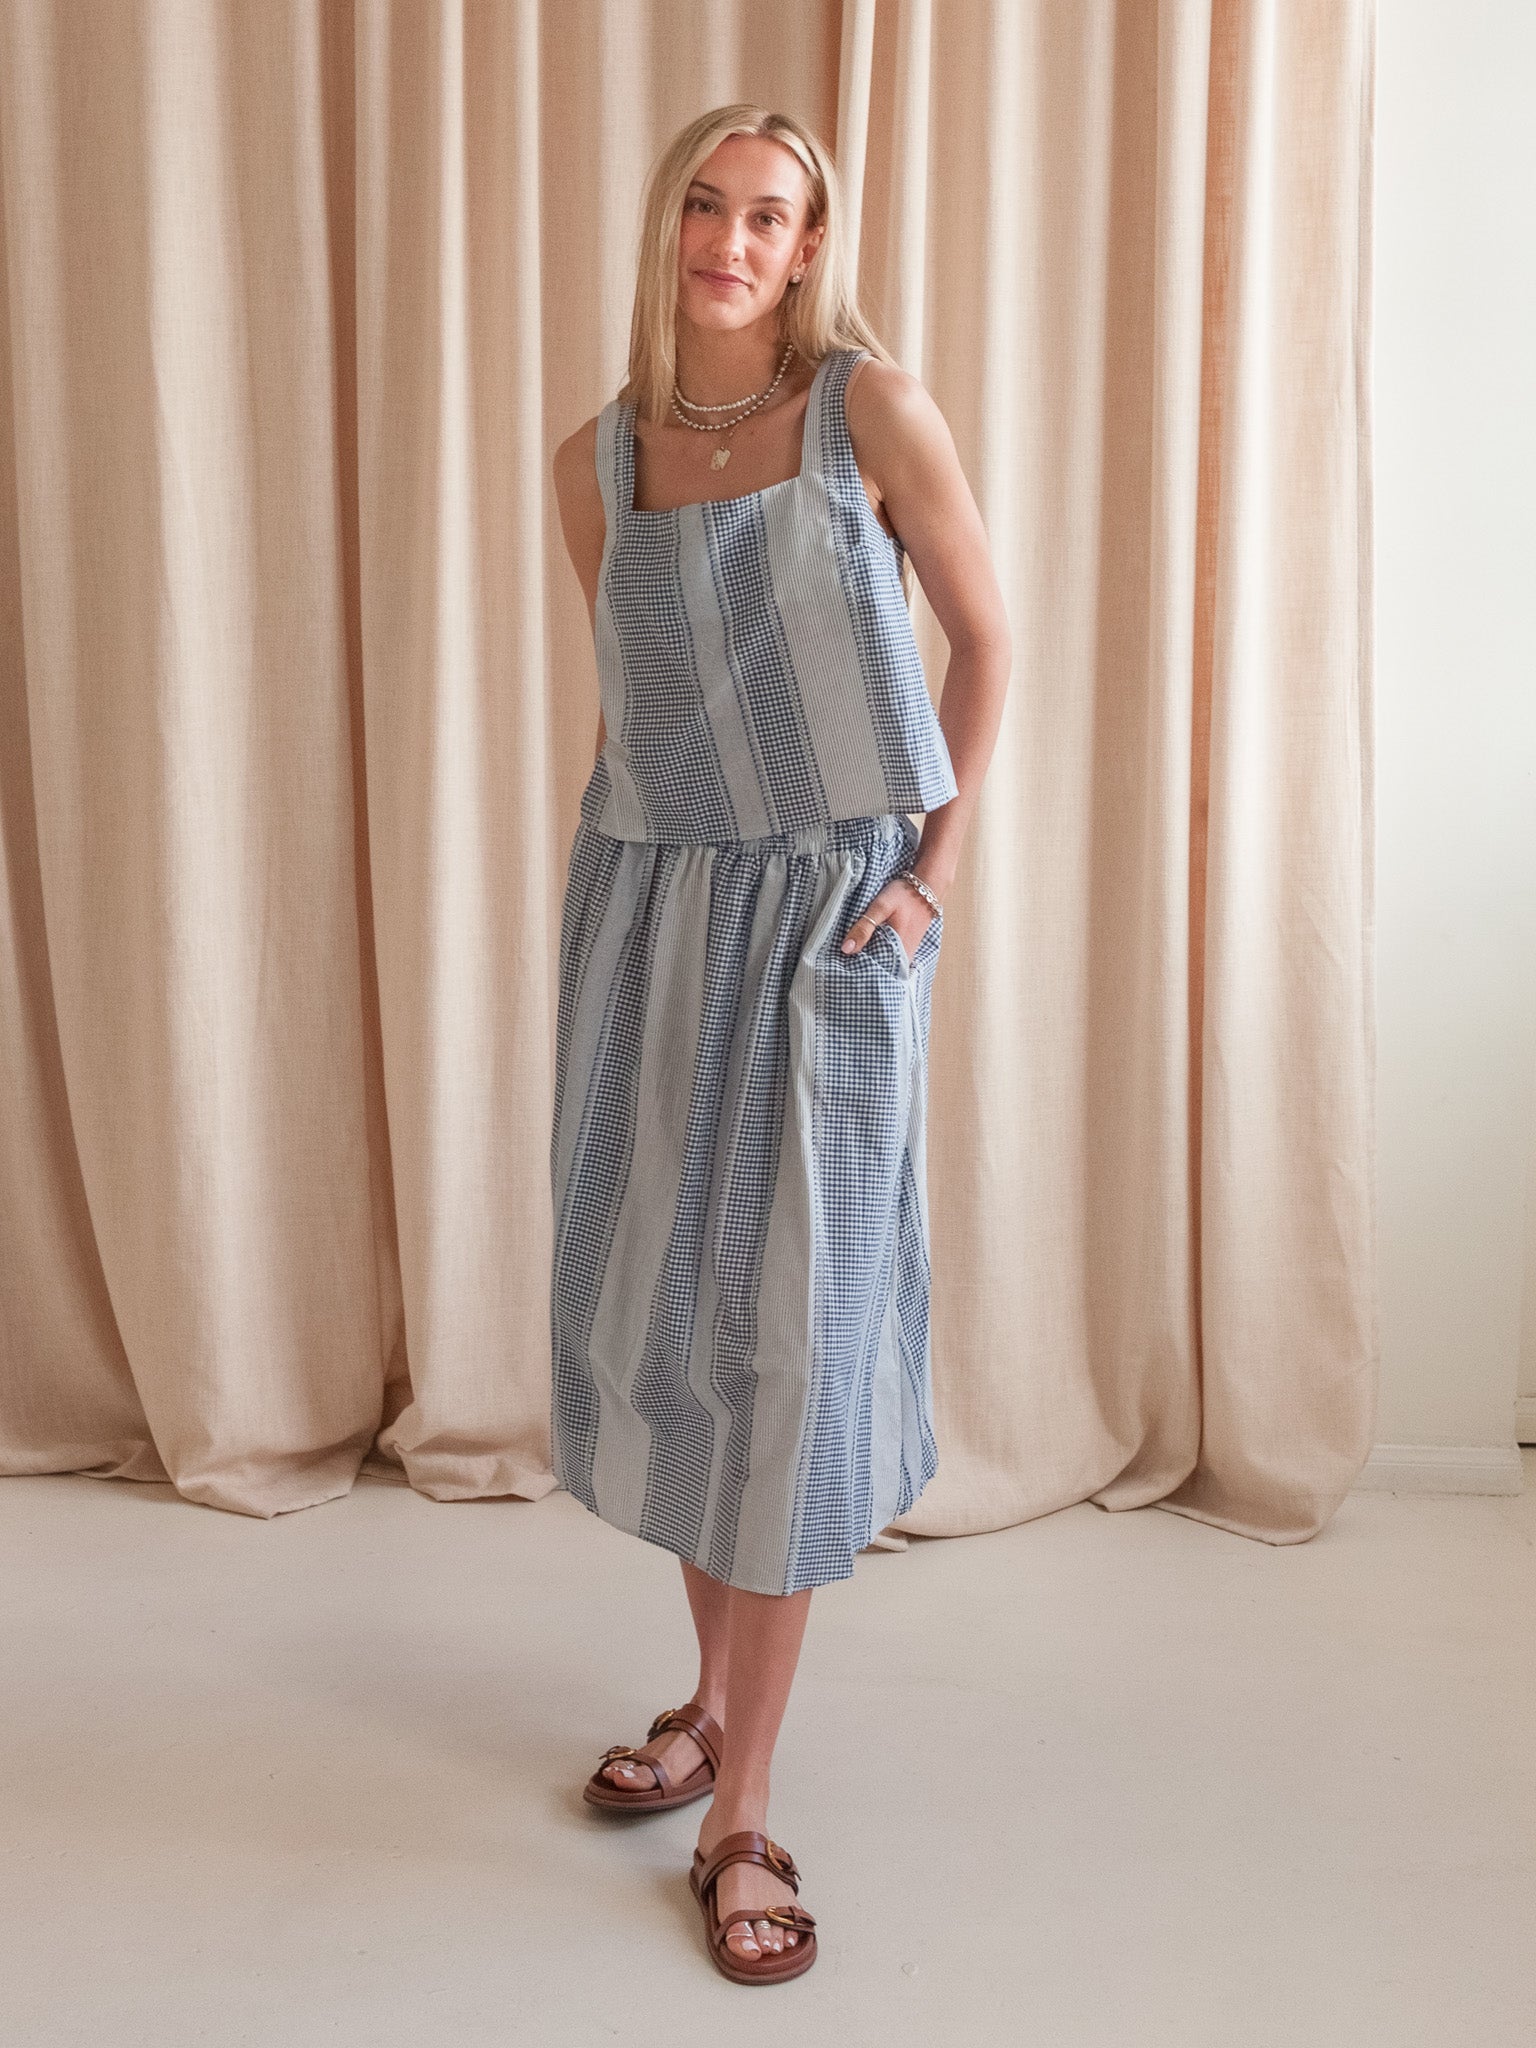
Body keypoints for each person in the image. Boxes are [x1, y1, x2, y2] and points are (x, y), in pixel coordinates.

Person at [549, 101, 1010, 1985]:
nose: (731, 242)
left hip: (830, 917)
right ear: (669, 225)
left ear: (809, 248)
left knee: (798, 1357)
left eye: (769, 217)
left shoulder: (869, 416)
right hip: (650, 916)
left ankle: (743, 1810)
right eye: (706, 207)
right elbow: (643, 717)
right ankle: (717, 1703)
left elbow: (987, 642)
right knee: (676, 1330)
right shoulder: (593, 460)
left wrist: (927, 884)